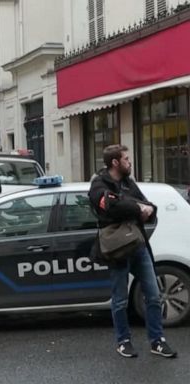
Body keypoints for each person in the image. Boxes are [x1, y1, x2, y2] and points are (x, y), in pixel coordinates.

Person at [88, 144, 177, 359]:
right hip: (117, 248)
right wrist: (137, 208)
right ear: (115, 162)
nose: (130, 162)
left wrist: (146, 208)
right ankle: (123, 341)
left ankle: (157, 341)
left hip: (138, 245)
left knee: (154, 295)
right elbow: (109, 206)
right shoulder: (99, 184)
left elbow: (150, 206)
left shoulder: (128, 182)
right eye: (126, 159)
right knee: (120, 299)